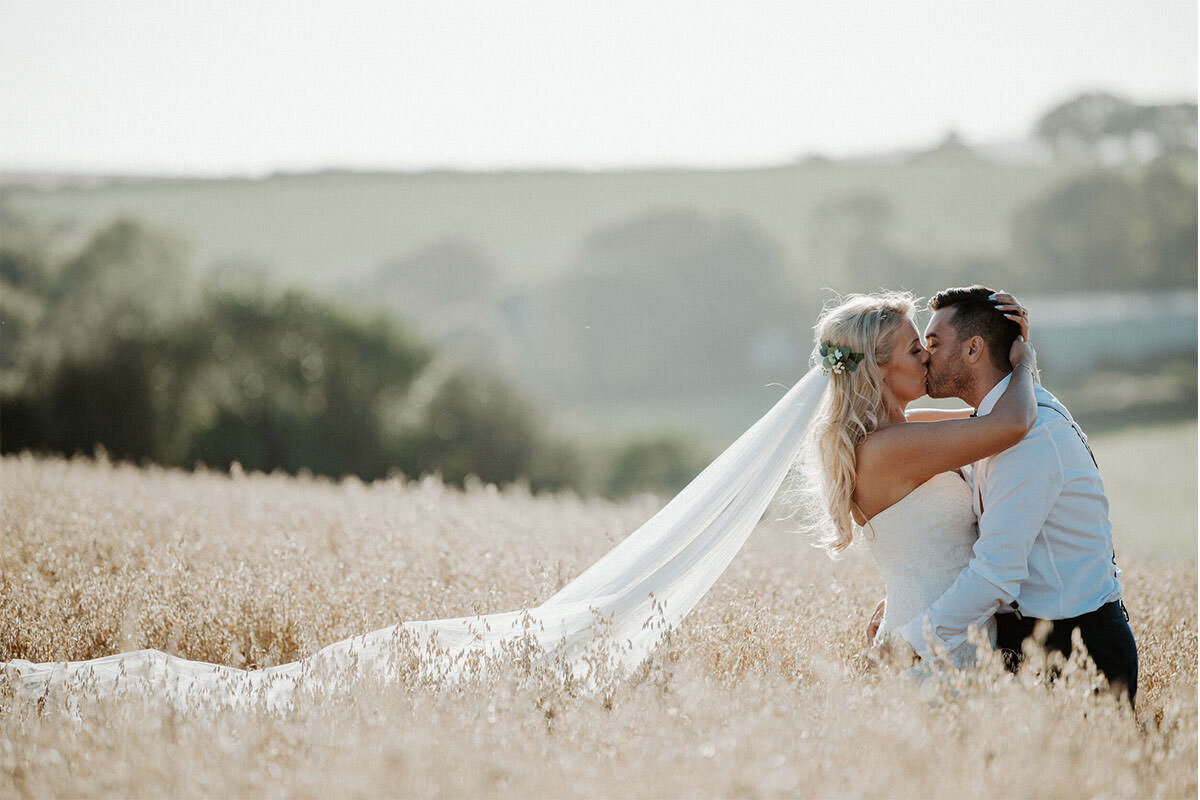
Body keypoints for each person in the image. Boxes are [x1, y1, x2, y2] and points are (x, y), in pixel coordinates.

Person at [886, 286, 1138, 705]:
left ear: (973, 350)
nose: (926, 356)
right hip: (1024, 644)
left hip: (1081, 652)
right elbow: (900, 426)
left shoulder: (1032, 438)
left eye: (933, 343)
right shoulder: (991, 423)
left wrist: (907, 643)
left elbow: (994, 577)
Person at [807, 290, 1038, 671]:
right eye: (915, 350)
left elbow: (1001, 413)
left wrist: (1001, 340)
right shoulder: (889, 448)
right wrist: (1025, 361)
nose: (927, 356)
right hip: (930, 644)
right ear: (879, 367)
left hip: (944, 627)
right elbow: (1011, 423)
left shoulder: (905, 433)